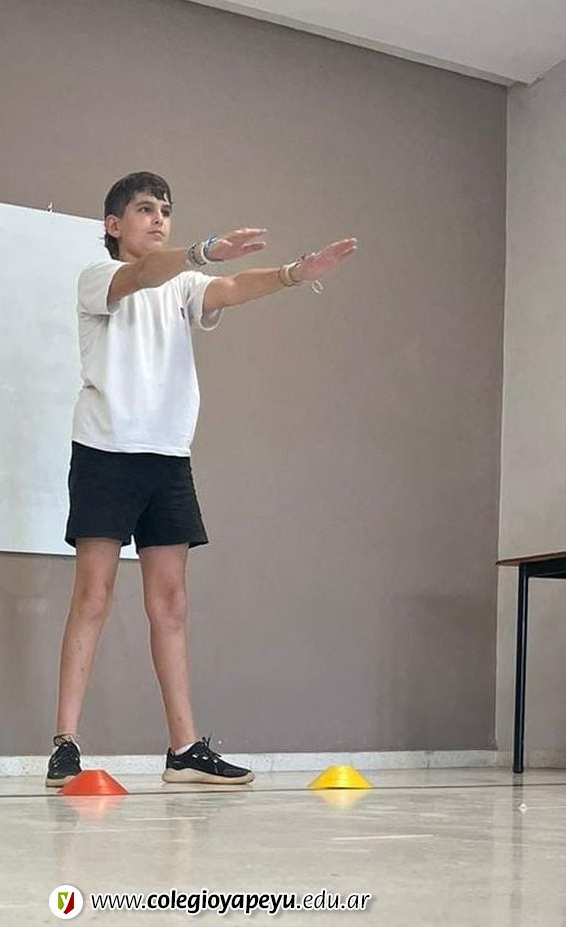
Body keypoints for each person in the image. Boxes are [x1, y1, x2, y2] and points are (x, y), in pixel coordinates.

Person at [46, 171, 357, 787]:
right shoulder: (99, 276)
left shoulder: (184, 284)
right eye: (145, 209)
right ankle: (65, 744)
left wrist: (294, 274)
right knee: (93, 597)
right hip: (106, 452)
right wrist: (202, 251)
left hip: (167, 458)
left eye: (165, 210)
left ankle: (184, 749)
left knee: (171, 604)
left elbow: (232, 287)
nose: (159, 218)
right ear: (114, 225)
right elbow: (142, 275)